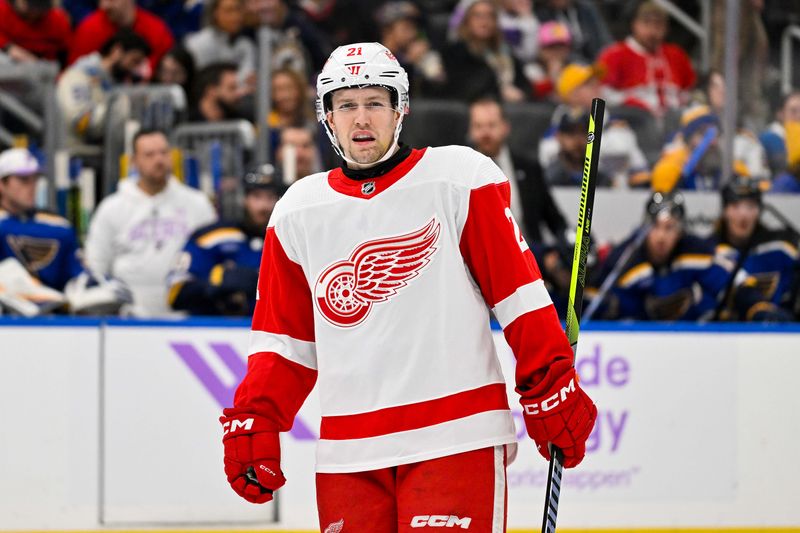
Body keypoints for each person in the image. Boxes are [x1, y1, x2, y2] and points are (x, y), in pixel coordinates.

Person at [219, 42, 596, 530]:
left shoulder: (461, 179)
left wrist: (551, 380)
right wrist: (258, 419)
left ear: (400, 109)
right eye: (346, 105)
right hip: (347, 455)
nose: (361, 119)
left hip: (455, 438)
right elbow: (284, 343)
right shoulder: (298, 211)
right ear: (327, 117)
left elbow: (520, 299)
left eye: (374, 103)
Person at [85, 129, 217, 317]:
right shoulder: (111, 208)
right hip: (128, 320)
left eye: (163, 152)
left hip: (186, 318)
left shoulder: (198, 204)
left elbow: (213, 257)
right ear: (133, 161)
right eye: (149, 154)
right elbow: (96, 266)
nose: (159, 160)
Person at [468, 97, 572, 317]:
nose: (485, 133)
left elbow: (557, 222)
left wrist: (561, 252)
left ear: (505, 127)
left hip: (532, 266)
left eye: (491, 125)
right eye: (479, 126)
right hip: (480, 272)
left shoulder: (529, 168)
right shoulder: (459, 172)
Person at [0, 148, 130, 315]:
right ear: (2, 184)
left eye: (35, 180)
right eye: (24, 180)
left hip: (53, 318)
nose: (32, 186)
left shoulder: (58, 227)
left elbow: (78, 275)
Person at [590, 191, 728, 321]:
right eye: (655, 226)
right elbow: (601, 305)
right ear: (644, 229)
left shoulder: (695, 250)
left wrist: (699, 300)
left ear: (680, 231)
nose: (661, 237)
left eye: (669, 228)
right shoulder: (624, 259)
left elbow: (726, 286)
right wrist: (643, 309)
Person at [168, 168, 283, 316]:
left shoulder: (290, 240)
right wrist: (216, 282)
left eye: (270, 197)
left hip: (273, 333)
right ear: (244, 199)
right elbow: (175, 294)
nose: (264, 206)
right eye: (257, 196)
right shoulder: (212, 237)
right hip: (217, 332)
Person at [711, 176, 798, 321]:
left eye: (750, 206)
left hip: (779, 335)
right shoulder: (709, 252)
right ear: (725, 211)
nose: (743, 215)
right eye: (735, 206)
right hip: (722, 337)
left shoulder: (781, 248)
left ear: (759, 211)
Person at [597, 0, 696, 118]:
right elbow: (597, 99)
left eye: (658, 25)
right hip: (630, 123)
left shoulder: (676, 54)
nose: (652, 31)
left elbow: (690, 93)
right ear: (634, 24)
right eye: (646, 23)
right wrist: (593, 135)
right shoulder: (614, 54)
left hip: (674, 125)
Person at [56, 30, 151, 149]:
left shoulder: (117, 82)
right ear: (116, 51)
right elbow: (80, 121)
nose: (134, 69)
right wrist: (124, 105)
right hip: (76, 156)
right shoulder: (78, 76)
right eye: (134, 61)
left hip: (105, 156)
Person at [442, 0, 532, 103]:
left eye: (490, 16)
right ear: (467, 22)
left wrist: (521, 94)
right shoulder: (454, 51)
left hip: (511, 108)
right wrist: (500, 92)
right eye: (478, 16)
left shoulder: (505, 51)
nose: (484, 21)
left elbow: (524, 84)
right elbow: (462, 87)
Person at [67, 0, 174, 73]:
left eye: (111, 0)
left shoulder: (156, 30)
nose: (104, 6)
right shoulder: (89, 28)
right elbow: (73, 75)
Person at [184, 0, 256, 90]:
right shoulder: (198, 43)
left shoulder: (246, 45)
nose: (236, 17)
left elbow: (246, 80)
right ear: (215, 13)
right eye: (229, 11)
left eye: (238, 10)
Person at [0, 0, 72, 65]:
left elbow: (65, 53)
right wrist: (8, 47)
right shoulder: (3, 10)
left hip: (45, 68)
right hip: (9, 63)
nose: (34, 13)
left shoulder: (57, 18)